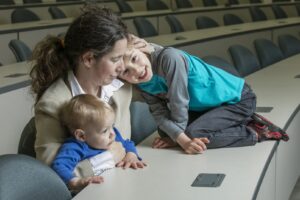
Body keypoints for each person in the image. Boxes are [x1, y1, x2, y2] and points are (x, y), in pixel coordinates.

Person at [30, 6, 152, 179]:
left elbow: (166, 87)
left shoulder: (120, 85)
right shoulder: (52, 104)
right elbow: (50, 179)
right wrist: (108, 158)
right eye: (116, 59)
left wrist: (151, 50)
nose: (123, 66)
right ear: (88, 59)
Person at [119, 42, 289, 154]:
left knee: (193, 133)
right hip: (209, 107)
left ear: (142, 49)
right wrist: (177, 136)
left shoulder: (169, 58)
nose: (136, 70)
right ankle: (232, 121)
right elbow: (159, 114)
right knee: (165, 131)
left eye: (135, 59)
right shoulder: (142, 83)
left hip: (238, 100)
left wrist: (181, 140)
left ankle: (255, 131)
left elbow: (179, 102)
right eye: (126, 71)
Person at [52, 94, 145, 192]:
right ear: (81, 136)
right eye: (105, 131)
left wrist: (131, 154)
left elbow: (126, 143)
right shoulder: (75, 148)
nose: (113, 134)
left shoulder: (112, 134)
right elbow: (59, 166)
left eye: (112, 126)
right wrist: (76, 182)